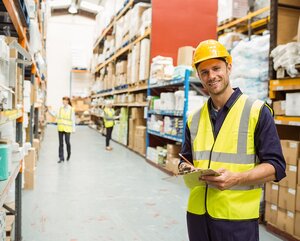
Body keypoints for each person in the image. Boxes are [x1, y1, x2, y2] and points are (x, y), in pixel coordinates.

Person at [178, 39, 286, 241]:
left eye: (216, 68)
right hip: (197, 216)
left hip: (236, 220)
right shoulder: (193, 118)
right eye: (204, 72)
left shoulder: (256, 112)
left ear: (229, 67)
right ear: (200, 77)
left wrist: (237, 178)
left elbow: (276, 166)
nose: (211, 76)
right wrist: (185, 169)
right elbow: (185, 159)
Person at [48, 96, 76, 163]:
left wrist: (73, 129)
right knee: (61, 143)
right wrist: (49, 111)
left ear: (68, 101)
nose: (64, 102)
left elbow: (73, 120)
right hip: (60, 128)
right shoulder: (60, 108)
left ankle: (69, 154)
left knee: (67, 142)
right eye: (63, 101)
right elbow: (55, 115)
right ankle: (61, 158)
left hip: (68, 128)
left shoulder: (71, 109)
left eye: (65, 101)